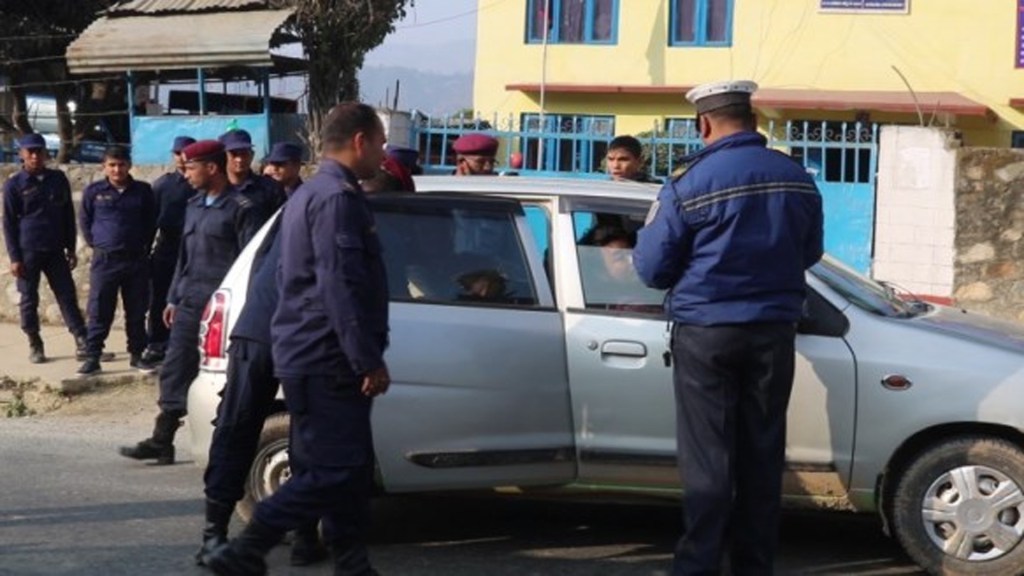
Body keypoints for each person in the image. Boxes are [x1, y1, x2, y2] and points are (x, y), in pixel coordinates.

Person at [632, 80, 824, 576]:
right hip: (774, 331)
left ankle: (698, 566)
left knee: (708, 459)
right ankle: (753, 566)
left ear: (703, 124)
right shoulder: (796, 177)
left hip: (707, 331)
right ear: (753, 120)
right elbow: (810, 253)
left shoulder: (689, 182)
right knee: (762, 454)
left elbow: (652, 269)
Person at [206, 102, 390, 576]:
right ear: (360, 141)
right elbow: (339, 285)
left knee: (344, 468)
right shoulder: (334, 199)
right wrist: (366, 358)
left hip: (314, 352)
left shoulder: (313, 193)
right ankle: (248, 547)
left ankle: (352, 562)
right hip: (325, 356)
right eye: (380, 143)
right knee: (335, 468)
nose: (383, 153)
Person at [198, 182, 326, 568]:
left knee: (236, 427)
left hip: (257, 327)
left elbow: (258, 262)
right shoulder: (347, 210)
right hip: (300, 333)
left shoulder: (296, 204)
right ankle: (304, 537)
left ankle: (213, 537)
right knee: (307, 431)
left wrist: (258, 308)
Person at [119, 140, 260, 466]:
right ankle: (162, 439)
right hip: (189, 301)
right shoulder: (194, 205)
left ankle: (228, 443)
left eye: (192, 168)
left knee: (227, 375)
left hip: (223, 306)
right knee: (175, 367)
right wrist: (173, 297)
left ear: (211, 168)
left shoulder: (241, 209)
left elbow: (251, 263)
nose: (186, 174)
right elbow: (184, 258)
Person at [2, 133, 88, 364]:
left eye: (38, 151)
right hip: (28, 251)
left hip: (55, 249)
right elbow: (8, 224)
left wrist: (71, 247)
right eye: (30, 152)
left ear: (45, 153)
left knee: (67, 295)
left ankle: (81, 338)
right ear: (21, 154)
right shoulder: (14, 185)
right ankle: (35, 342)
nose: (35, 156)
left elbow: (68, 215)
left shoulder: (57, 179)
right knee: (29, 299)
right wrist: (15, 257)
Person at [77, 145, 157, 375]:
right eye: (112, 165)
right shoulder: (94, 191)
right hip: (105, 261)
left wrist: (140, 246)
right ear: (104, 167)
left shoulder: (142, 191)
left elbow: (150, 222)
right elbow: (85, 222)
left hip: (135, 260)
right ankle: (93, 357)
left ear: (129, 165)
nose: (117, 169)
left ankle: (137, 355)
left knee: (137, 311)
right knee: (99, 310)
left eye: (121, 164)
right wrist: (99, 245)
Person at [143, 135, 196, 366]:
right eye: (177, 153)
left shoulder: (203, 183)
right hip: (168, 247)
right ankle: (157, 343)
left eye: (186, 153)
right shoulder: (163, 185)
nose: (182, 158)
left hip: (196, 248)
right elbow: (150, 223)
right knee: (160, 298)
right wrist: (145, 254)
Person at [219, 129, 286, 226]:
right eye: (234, 154)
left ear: (252, 155)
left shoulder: (270, 189)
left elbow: (281, 224)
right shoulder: (213, 190)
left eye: (244, 153)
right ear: (223, 156)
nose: (239, 159)